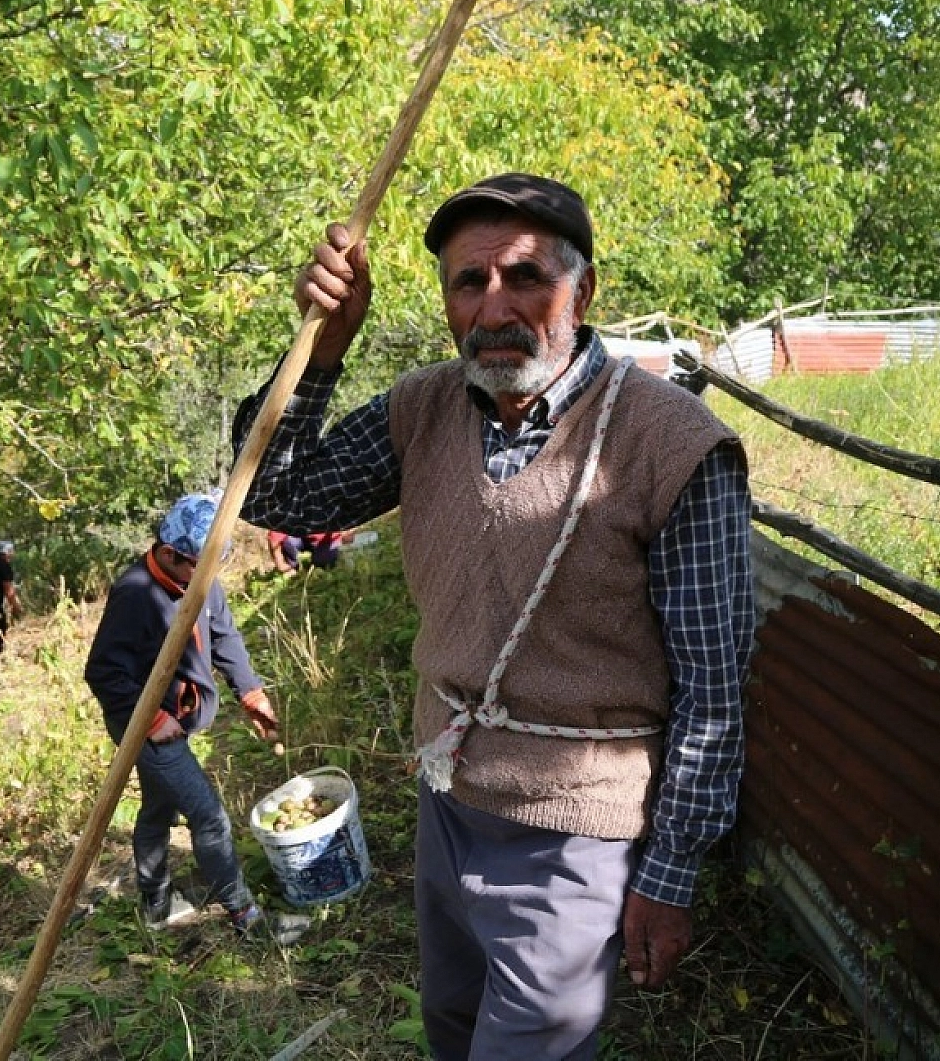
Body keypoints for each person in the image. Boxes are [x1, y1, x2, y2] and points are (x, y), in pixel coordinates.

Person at [233, 173, 755, 1059]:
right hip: (449, 796)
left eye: (525, 278)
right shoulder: (424, 408)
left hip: (576, 828)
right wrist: (321, 352)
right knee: (453, 1031)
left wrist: (668, 877)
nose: (494, 306)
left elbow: (713, 687)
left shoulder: (670, 445)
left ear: (582, 291)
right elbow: (276, 495)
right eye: (467, 283)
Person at [84, 491, 308, 944]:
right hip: (144, 727)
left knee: (158, 806)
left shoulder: (198, 577)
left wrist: (249, 692)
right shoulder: (135, 594)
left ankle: (156, 901)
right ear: (168, 554)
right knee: (209, 817)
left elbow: (224, 636)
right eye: (199, 565)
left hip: (174, 719)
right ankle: (247, 917)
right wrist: (149, 721)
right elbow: (103, 671)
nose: (210, 577)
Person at [266, 529, 345, 574]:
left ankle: (319, 567)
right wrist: (281, 564)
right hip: (301, 536)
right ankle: (295, 568)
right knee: (289, 541)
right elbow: (275, 535)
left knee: (322, 561)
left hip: (327, 541)